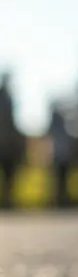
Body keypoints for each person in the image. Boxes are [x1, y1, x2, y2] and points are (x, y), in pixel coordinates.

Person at [0, 72, 24, 209]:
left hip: (8, 143)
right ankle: (7, 199)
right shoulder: (4, 97)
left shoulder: (9, 97)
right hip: (3, 143)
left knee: (9, 173)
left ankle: (8, 199)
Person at [46, 101, 74, 208]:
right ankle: (57, 199)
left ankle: (62, 198)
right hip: (57, 155)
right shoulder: (55, 124)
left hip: (63, 155)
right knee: (57, 179)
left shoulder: (65, 123)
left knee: (63, 179)